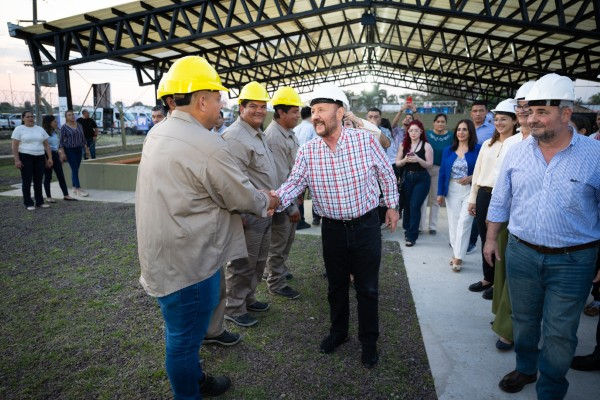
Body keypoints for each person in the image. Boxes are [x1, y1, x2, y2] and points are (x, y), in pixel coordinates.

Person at [136, 56, 279, 399]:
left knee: (181, 332)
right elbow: (240, 195)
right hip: (191, 262)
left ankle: (196, 378)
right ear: (201, 101)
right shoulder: (207, 144)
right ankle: (189, 393)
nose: (221, 105)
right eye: (217, 98)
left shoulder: (159, 132)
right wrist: (268, 199)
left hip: (165, 253)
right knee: (183, 342)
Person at [485, 73, 600, 398]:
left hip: (574, 261)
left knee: (560, 333)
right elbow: (501, 199)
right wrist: (491, 238)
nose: (532, 118)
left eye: (542, 112)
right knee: (523, 320)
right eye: (529, 111)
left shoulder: (594, 155)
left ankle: (550, 390)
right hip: (521, 254)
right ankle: (526, 368)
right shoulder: (517, 152)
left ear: (566, 113)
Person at [274, 82, 399, 369]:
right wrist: (272, 201)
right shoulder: (308, 151)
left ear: (340, 112)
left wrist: (391, 205)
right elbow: (293, 185)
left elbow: (386, 174)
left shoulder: (365, 141)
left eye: (321, 110)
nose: (315, 116)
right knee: (336, 287)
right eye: (313, 110)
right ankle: (339, 333)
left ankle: (369, 342)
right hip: (332, 230)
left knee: (368, 289)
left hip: (366, 227)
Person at [222, 81, 277, 328]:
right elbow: (235, 182)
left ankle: (248, 298)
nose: (259, 110)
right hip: (249, 212)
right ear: (241, 108)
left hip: (263, 209)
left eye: (263, 106)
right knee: (243, 263)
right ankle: (234, 307)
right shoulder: (235, 137)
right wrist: (243, 214)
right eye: (253, 106)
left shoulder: (256, 132)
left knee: (258, 260)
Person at [491, 80, 536, 351]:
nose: (521, 109)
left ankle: (508, 327)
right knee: (502, 270)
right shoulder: (512, 142)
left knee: (519, 278)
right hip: (507, 213)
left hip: (532, 221)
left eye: (527, 104)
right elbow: (501, 184)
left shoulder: (552, 139)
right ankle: (500, 317)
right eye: (519, 105)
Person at [467, 99, 517, 300]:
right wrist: (473, 198)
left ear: (515, 121)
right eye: (496, 119)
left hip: (505, 197)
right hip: (484, 194)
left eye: (504, 119)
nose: (499, 123)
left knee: (500, 239)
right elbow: (478, 172)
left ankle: (499, 282)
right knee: (484, 236)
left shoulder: (518, 144)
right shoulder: (488, 144)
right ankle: (488, 278)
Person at [264, 86, 303, 300]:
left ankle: (276, 271)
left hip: (290, 197)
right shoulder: (274, 137)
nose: (298, 115)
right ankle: (275, 282)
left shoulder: (287, 133)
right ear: (281, 112)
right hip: (283, 200)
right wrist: (290, 206)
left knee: (286, 239)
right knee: (278, 243)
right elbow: (279, 177)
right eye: (294, 111)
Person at [436, 119, 480, 271]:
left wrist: (471, 177)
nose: (461, 132)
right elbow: (442, 172)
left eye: (465, 129)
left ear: (470, 132)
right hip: (452, 190)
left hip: (470, 190)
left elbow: (483, 170)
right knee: (454, 224)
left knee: (464, 222)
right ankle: (456, 252)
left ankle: (458, 257)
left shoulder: (478, 149)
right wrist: (440, 193)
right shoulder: (448, 150)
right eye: (459, 129)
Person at [396, 120, 433, 247]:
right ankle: (407, 229)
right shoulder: (403, 145)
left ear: (421, 131)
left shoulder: (426, 146)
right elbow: (397, 163)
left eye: (416, 130)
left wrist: (418, 159)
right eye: (411, 130)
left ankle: (412, 236)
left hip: (421, 178)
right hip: (407, 177)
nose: (413, 133)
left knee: (415, 205)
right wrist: (405, 160)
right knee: (407, 205)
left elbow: (429, 164)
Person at [11, 110, 53, 210]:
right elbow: (14, 146)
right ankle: (28, 203)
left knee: (38, 180)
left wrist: (50, 158)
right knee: (27, 180)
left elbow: (46, 145)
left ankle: (39, 202)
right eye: (28, 117)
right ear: (23, 118)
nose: (30, 118)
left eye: (31, 117)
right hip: (25, 157)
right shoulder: (19, 129)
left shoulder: (40, 129)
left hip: (40, 157)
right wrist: (17, 160)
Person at [422, 113, 454, 235]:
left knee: (435, 199)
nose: (440, 124)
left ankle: (432, 226)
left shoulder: (451, 136)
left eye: (442, 122)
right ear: (434, 123)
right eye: (438, 121)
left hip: (440, 170)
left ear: (446, 123)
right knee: (423, 198)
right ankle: (420, 226)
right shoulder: (427, 134)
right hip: (425, 168)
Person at [41, 115, 76, 202]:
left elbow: (59, 145)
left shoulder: (55, 132)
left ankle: (66, 195)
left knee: (61, 175)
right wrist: (47, 159)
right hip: (47, 155)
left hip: (55, 154)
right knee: (48, 176)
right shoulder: (43, 133)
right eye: (54, 121)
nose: (56, 123)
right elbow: (42, 146)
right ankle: (48, 197)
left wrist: (60, 155)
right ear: (49, 123)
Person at [293, 106, 317, 230]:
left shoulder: (295, 128)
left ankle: (299, 219)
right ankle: (316, 217)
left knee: (298, 193)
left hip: (296, 164)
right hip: (309, 166)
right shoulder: (312, 128)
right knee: (314, 193)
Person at [60, 110, 90, 197]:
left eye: (73, 114)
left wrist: (86, 149)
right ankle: (78, 188)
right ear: (66, 117)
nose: (72, 116)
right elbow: (61, 141)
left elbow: (83, 138)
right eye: (69, 115)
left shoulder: (79, 125)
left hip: (78, 149)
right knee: (74, 168)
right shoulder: (64, 127)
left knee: (76, 168)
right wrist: (62, 153)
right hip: (69, 149)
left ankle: (74, 187)